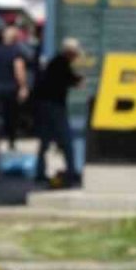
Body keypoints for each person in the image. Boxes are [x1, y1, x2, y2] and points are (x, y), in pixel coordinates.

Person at [32, 38, 83, 185]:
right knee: (67, 140)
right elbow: (66, 80)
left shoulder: (55, 62)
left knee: (45, 141)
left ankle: (40, 172)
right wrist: (77, 80)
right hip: (54, 106)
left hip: (45, 105)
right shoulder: (61, 63)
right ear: (70, 52)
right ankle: (71, 171)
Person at [0, 27, 29, 149]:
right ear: (15, 39)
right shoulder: (15, 52)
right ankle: (11, 140)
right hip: (11, 87)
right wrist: (23, 86)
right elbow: (19, 70)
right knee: (11, 115)